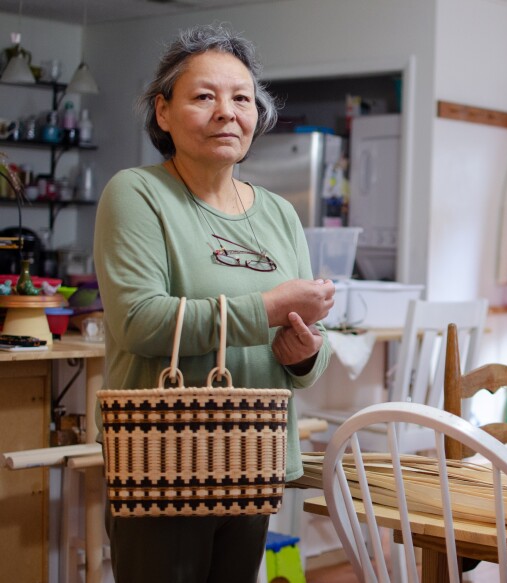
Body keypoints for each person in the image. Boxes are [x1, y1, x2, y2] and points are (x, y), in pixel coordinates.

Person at [93, 23, 335, 583]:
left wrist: (303, 352)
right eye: (204, 96)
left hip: (254, 457)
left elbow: (310, 360)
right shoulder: (136, 194)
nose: (227, 112)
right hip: (162, 460)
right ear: (163, 111)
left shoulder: (277, 212)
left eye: (242, 98)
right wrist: (269, 307)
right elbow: (139, 321)